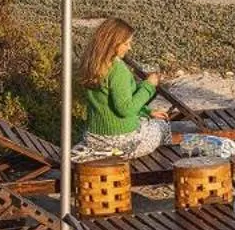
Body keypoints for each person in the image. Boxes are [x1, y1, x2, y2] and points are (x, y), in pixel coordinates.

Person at [72, 17, 169, 161]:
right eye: (126, 43)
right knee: (163, 126)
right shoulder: (118, 70)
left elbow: (110, 104)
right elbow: (125, 109)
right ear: (113, 43)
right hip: (120, 142)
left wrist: (147, 111)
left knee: (147, 120)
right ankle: (159, 167)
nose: (129, 48)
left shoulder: (92, 65)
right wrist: (148, 86)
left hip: (94, 138)